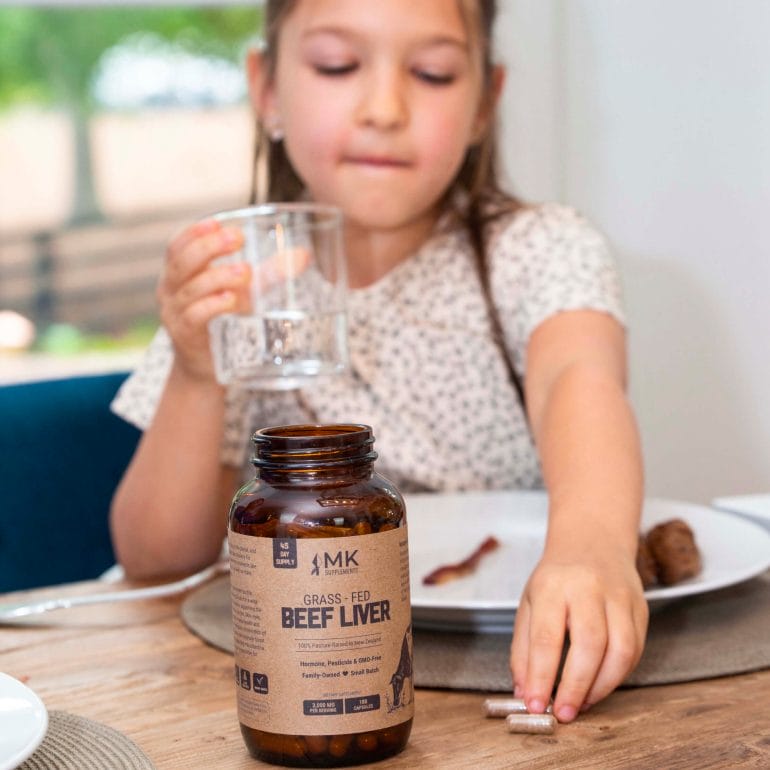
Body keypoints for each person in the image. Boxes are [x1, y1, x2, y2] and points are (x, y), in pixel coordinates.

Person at [110, 0, 647, 724]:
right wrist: (198, 374)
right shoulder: (237, 284)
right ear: (267, 88)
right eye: (338, 65)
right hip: (290, 681)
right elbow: (156, 561)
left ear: (485, 101)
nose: (385, 107)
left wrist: (593, 548)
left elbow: (578, 381)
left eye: (432, 73)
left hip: (500, 660)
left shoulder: (539, 249)